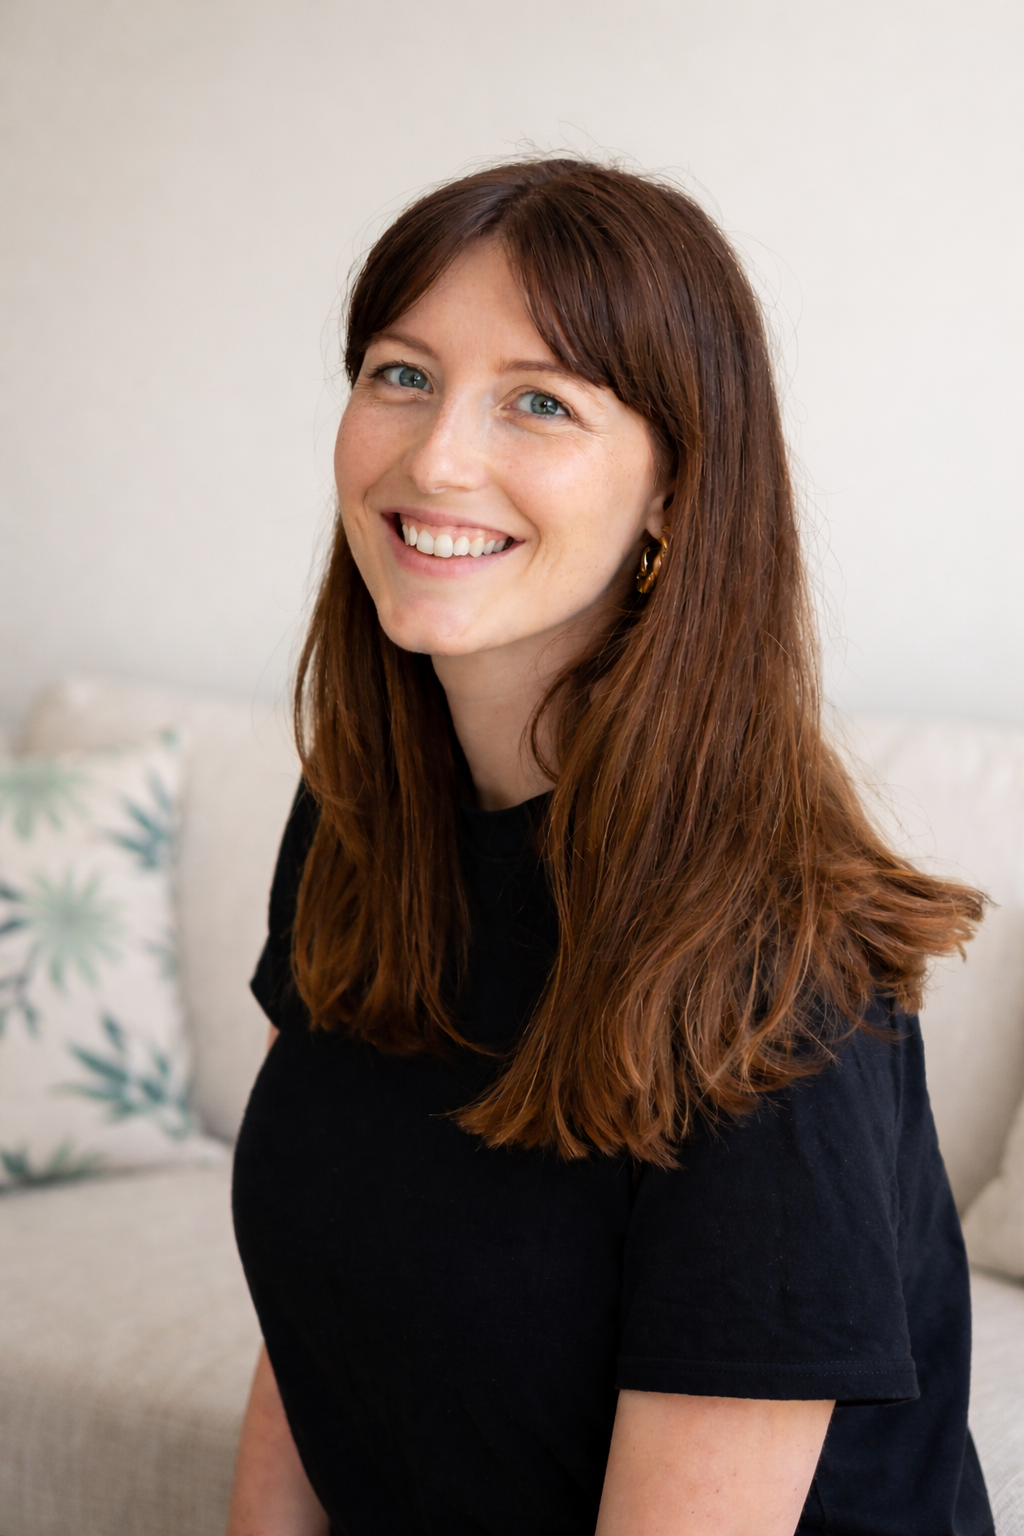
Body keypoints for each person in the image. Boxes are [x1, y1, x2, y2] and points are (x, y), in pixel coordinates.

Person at [227, 158, 994, 1536]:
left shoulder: (775, 970)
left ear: (674, 493)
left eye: (541, 401)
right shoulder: (361, 815)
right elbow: (321, 1317)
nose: (435, 455)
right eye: (401, 374)